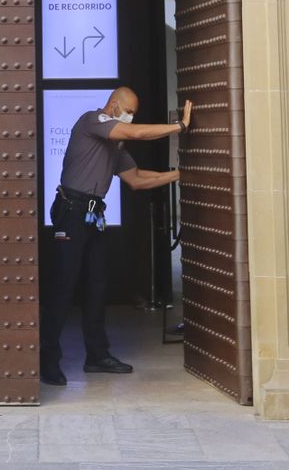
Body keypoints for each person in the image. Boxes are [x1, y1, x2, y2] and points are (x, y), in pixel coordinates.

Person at [40, 87, 191, 386]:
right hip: (71, 213)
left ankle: (97, 356)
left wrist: (180, 175)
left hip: (93, 216)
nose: (131, 118)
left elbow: (136, 179)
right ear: (113, 105)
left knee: (97, 286)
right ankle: (48, 361)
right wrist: (179, 127)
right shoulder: (92, 120)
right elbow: (136, 134)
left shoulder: (114, 146)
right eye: (128, 111)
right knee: (63, 287)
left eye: (134, 114)